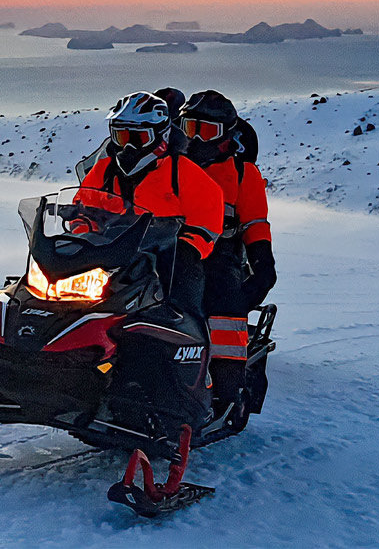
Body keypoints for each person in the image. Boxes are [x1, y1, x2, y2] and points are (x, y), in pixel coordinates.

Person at [76, 91, 223, 320]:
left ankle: (186, 337)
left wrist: (186, 248)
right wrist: (82, 234)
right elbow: (83, 206)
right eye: (122, 137)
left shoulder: (183, 172)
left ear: (160, 136)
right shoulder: (104, 170)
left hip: (164, 259)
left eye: (138, 138)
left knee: (183, 282)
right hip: (111, 252)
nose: (129, 148)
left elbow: (207, 221)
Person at [177, 90, 277, 409]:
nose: (195, 138)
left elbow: (255, 222)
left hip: (219, 254)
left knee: (224, 304)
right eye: (190, 128)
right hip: (170, 249)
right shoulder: (170, 169)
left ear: (226, 136)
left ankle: (225, 387)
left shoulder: (242, 174)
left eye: (206, 131)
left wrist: (263, 265)